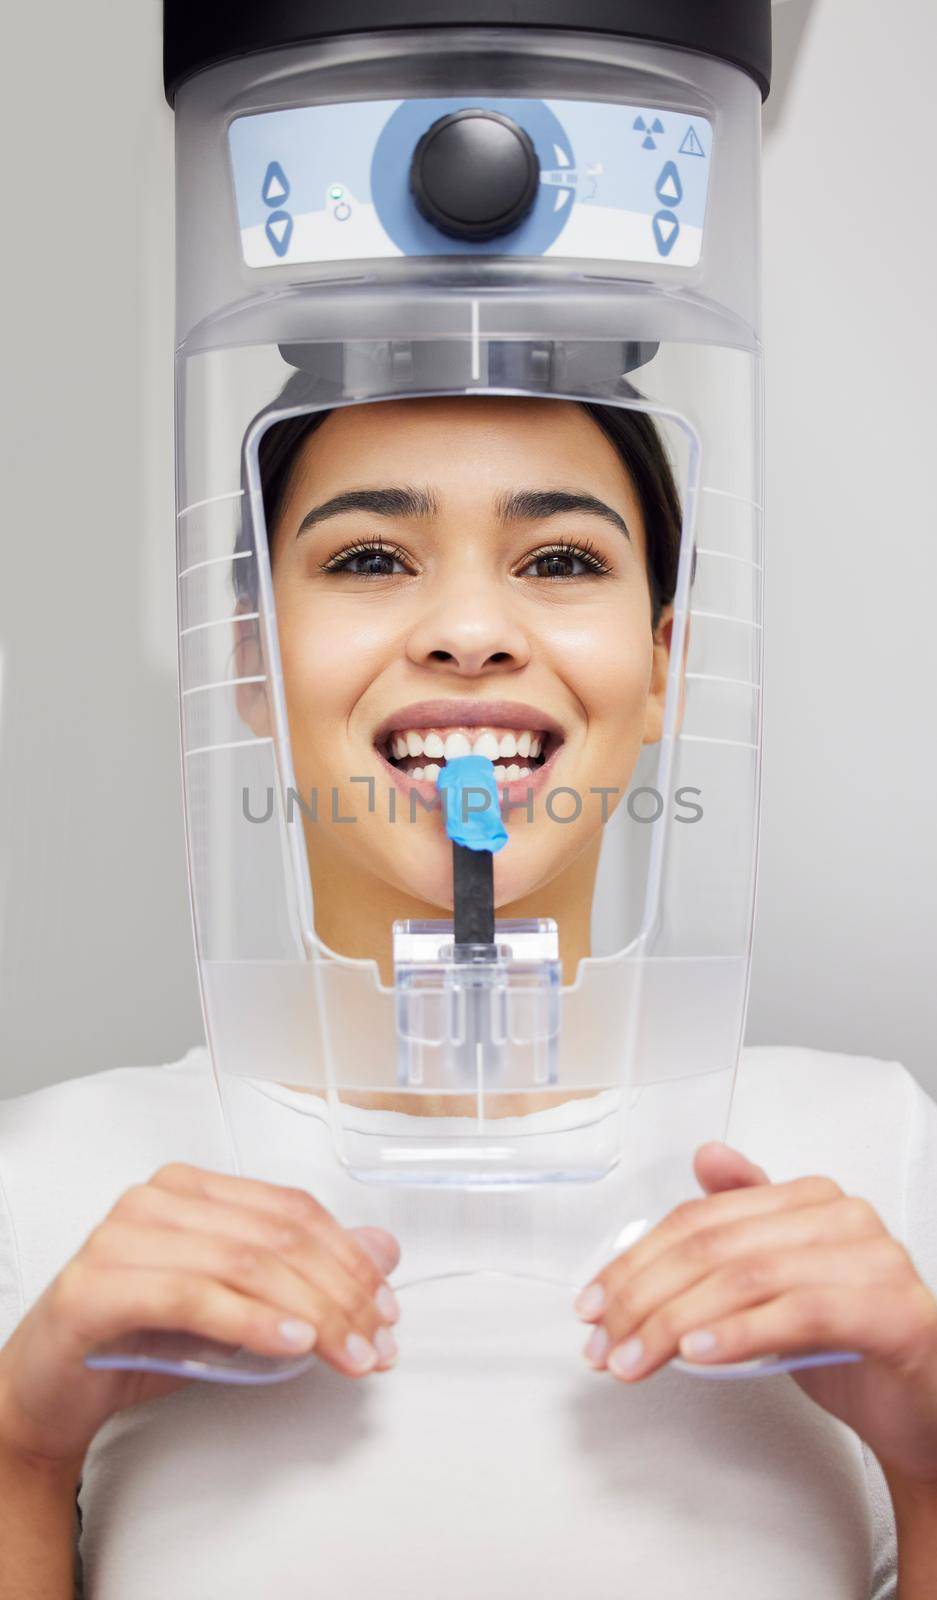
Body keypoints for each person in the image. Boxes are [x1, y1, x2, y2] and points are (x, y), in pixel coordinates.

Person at [1, 395, 935, 1599]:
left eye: (559, 559)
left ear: (663, 666)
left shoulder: (885, 1159)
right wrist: (22, 1455)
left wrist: (928, 1460)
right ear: (251, 667)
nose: (471, 631)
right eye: (370, 558)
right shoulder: (42, 1183)